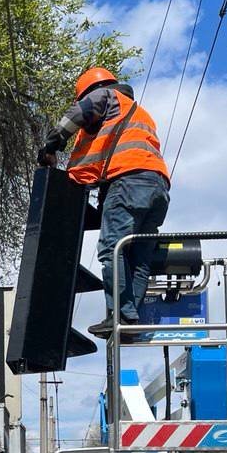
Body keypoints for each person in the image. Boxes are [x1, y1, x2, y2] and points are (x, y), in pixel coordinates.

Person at [37, 67, 171, 337]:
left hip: (127, 182)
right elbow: (97, 161)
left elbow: (82, 111)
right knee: (138, 257)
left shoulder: (106, 96)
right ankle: (129, 321)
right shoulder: (137, 113)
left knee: (112, 249)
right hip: (157, 189)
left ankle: (120, 315)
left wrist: (52, 143)